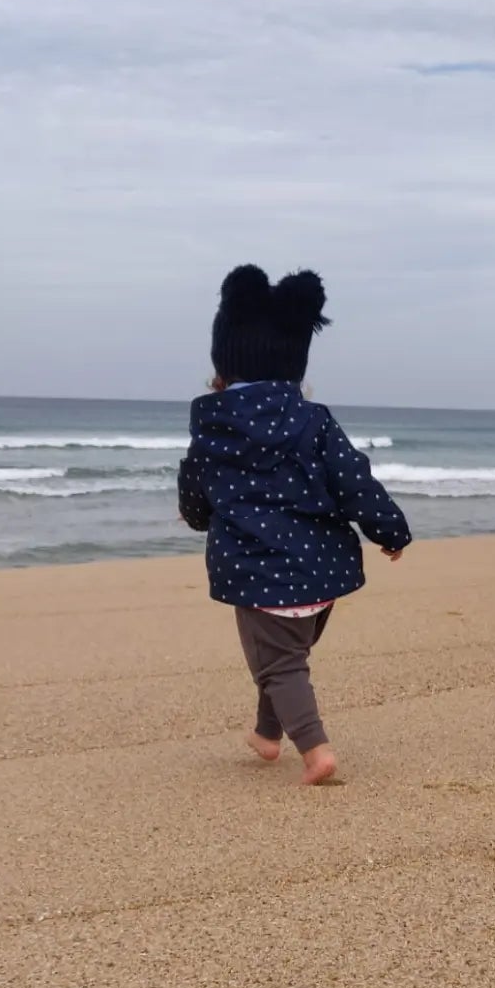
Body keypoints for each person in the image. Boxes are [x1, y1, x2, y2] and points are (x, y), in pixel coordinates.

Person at [177, 264, 412, 785]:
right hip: (322, 574)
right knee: (283, 657)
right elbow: (355, 481)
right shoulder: (314, 421)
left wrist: (197, 517)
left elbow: (195, 490)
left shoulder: (212, 428)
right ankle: (267, 735)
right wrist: (389, 532)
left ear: (223, 364)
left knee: (280, 665)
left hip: (257, 572)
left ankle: (315, 750)